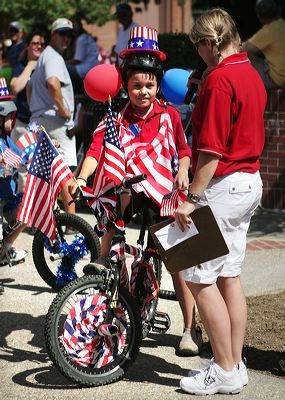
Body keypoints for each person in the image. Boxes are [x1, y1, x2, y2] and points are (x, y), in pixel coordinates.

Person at [69, 26, 202, 356]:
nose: (143, 91)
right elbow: (96, 151)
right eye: (136, 85)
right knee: (112, 189)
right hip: (130, 193)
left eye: (149, 85)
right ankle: (104, 254)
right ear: (125, 85)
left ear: (158, 84)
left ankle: (188, 329)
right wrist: (83, 178)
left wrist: (184, 170)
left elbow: (184, 151)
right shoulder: (115, 118)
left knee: (179, 261)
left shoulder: (169, 115)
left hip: (165, 193)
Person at [174, 8, 267, 395]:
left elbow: (210, 151)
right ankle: (235, 363)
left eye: (199, 45)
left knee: (197, 274)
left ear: (211, 42)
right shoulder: (250, 73)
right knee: (228, 273)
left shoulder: (220, 80)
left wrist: (191, 199)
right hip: (249, 182)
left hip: (225, 185)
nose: (198, 53)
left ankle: (225, 367)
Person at [27, 18, 76, 215]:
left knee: (46, 172)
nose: (66, 38)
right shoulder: (54, 56)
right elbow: (53, 83)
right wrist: (63, 110)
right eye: (62, 33)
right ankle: (73, 221)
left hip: (40, 120)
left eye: (69, 35)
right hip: (55, 122)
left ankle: (45, 216)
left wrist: (37, 111)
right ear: (53, 35)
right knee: (66, 171)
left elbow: (29, 88)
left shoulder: (44, 57)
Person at [9, 30, 45, 192]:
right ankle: (22, 211)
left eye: (42, 44)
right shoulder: (21, 66)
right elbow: (15, 88)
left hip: (41, 126)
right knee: (21, 169)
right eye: (35, 43)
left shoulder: (47, 67)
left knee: (39, 171)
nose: (38, 47)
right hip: (22, 123)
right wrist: (30, 66)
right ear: (27, 46)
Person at [0, 78, 28, 272]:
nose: (13, 119)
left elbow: (22, 156)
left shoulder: (7, 141)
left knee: (26, 212)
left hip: (6, 199)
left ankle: (5, 250)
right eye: (10, 115)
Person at [242, 0, 285, 89]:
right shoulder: (282, 24)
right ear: (277, 11)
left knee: (243, 61)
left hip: (278, 79)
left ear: (259, 16)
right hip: (279, 73)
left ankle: (249, 97)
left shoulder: (268, 30)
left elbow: (244, 48)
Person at [66, 17, 99, 94]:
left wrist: (63, 62)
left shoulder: (81, 39)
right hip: (92, 68)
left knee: (64, 68)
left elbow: (77, 60)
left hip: (84, 69)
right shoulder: (86, 37)